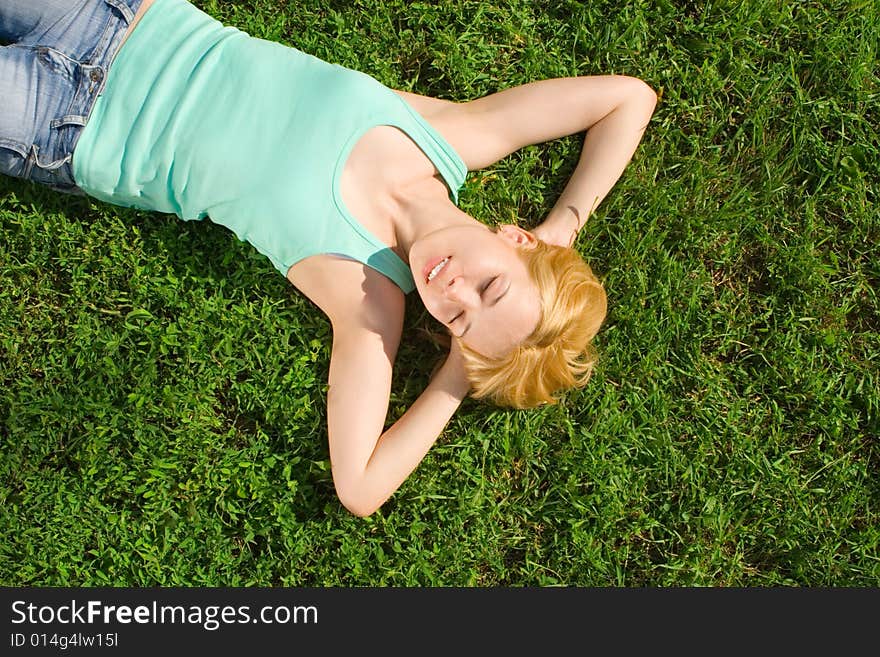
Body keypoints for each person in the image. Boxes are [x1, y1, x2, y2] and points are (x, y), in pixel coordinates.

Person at [1, 0, 657, 516]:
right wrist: (565, 223)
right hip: (125, 13)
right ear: (516, 240)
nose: (451, 289)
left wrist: (462, 372)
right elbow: (630, 98)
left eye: (458, 318)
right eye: (488, 285)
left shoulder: (367, 298)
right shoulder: (451, 134)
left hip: (69, 123)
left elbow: (361, 486)